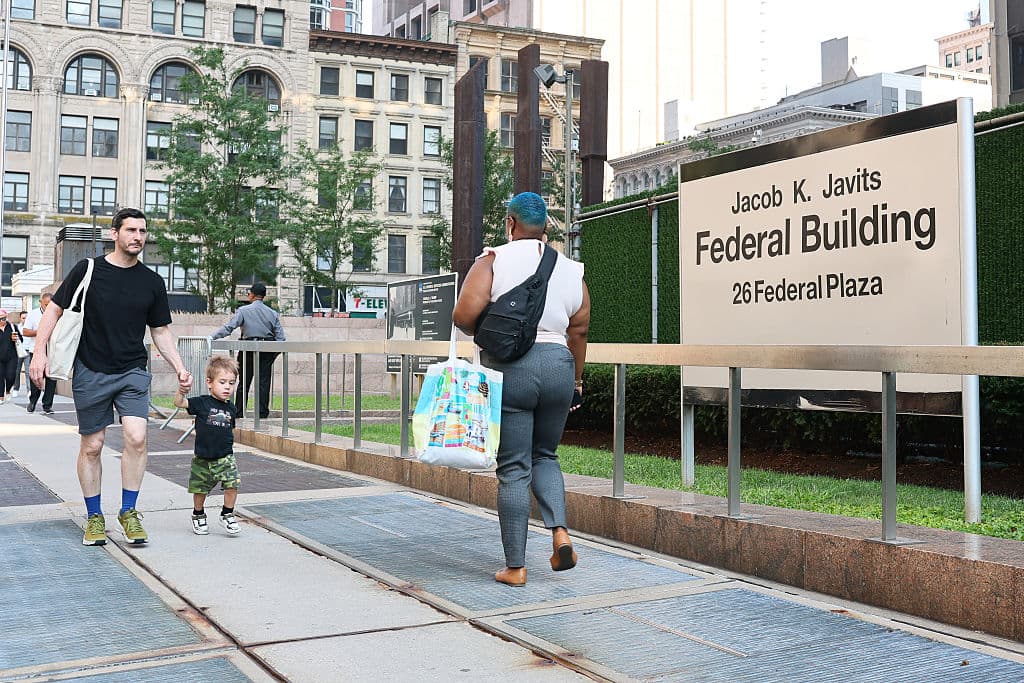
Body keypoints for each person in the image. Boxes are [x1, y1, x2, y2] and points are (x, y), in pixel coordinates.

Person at [30, 207, 192, 547]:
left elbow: (160, 330)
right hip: (91, 369)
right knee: (93, 445)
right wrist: (40, 352)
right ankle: (94, 516)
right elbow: (55, 311)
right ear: (114, 234)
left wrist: (178, 365)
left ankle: (129, 511)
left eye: (143, 231)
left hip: (133, 369)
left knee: (136, 437)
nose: (137, 237)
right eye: (131, 230)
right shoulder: (88, 270)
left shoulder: (151, 282)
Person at [452, 191, 591, 587]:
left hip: (512, 369)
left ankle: (515, 567)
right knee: (545, 455)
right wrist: (577, 381)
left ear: (510, 224)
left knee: (514, 467)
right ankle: (560, 532)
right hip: (560, 366)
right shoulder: (570, 268)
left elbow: (463, 315)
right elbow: (579, 329)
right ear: (546, 226)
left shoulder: (492, 259)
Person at [174, 355, 241, 536]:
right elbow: (179, 403)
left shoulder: (232, 408)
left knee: (232, 483)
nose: (227, 387)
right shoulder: (202, 402)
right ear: (209, 383)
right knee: (200, 489)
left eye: (231, 383)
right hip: (203, 458)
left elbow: (229, 429)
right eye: (222, 382)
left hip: (225, 456)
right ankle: (198, 514)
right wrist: (182, 389)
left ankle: (227, 514)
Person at [210, 283, 285, 419]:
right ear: (263, 296)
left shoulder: (243, 310)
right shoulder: (273, 313)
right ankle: (262, 414)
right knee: (264, 383)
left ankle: (239, 412)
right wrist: (272, 355)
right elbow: (281, 339)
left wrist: (211, 337)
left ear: (251, 294)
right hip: (267, 349)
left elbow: (229, 328)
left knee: (244, 382)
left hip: (248, 348)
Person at [23, 295, 57, 414]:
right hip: (36, 351)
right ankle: (33, 401)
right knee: (35, 378)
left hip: (52, 352)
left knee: (51, 380)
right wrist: (42, 331)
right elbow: (25, 331)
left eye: (50, 304)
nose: (48, 307)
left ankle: (47, 405)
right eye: (45, 304)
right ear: (40, 302)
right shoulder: (32, 315)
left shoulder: (57, 313)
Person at [0, 310, 23, 404]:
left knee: (11, 376)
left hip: (12, 357)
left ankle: (8, 390)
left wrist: (16, 338)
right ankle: (1, 396)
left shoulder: (12, 327)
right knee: (0, 377)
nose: (3, 320)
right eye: (1, 318)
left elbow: (21, 339)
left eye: (4, 318)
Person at [11, 310, 27, 398]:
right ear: (20, 319)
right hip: (18, 351)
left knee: (28, 372)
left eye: (26, 318)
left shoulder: (31, 327)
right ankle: (16, 389)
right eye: (23, 318)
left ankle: (29, 390)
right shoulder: (16, 327)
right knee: (16, 371)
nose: (25, 320)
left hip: (28, 351)